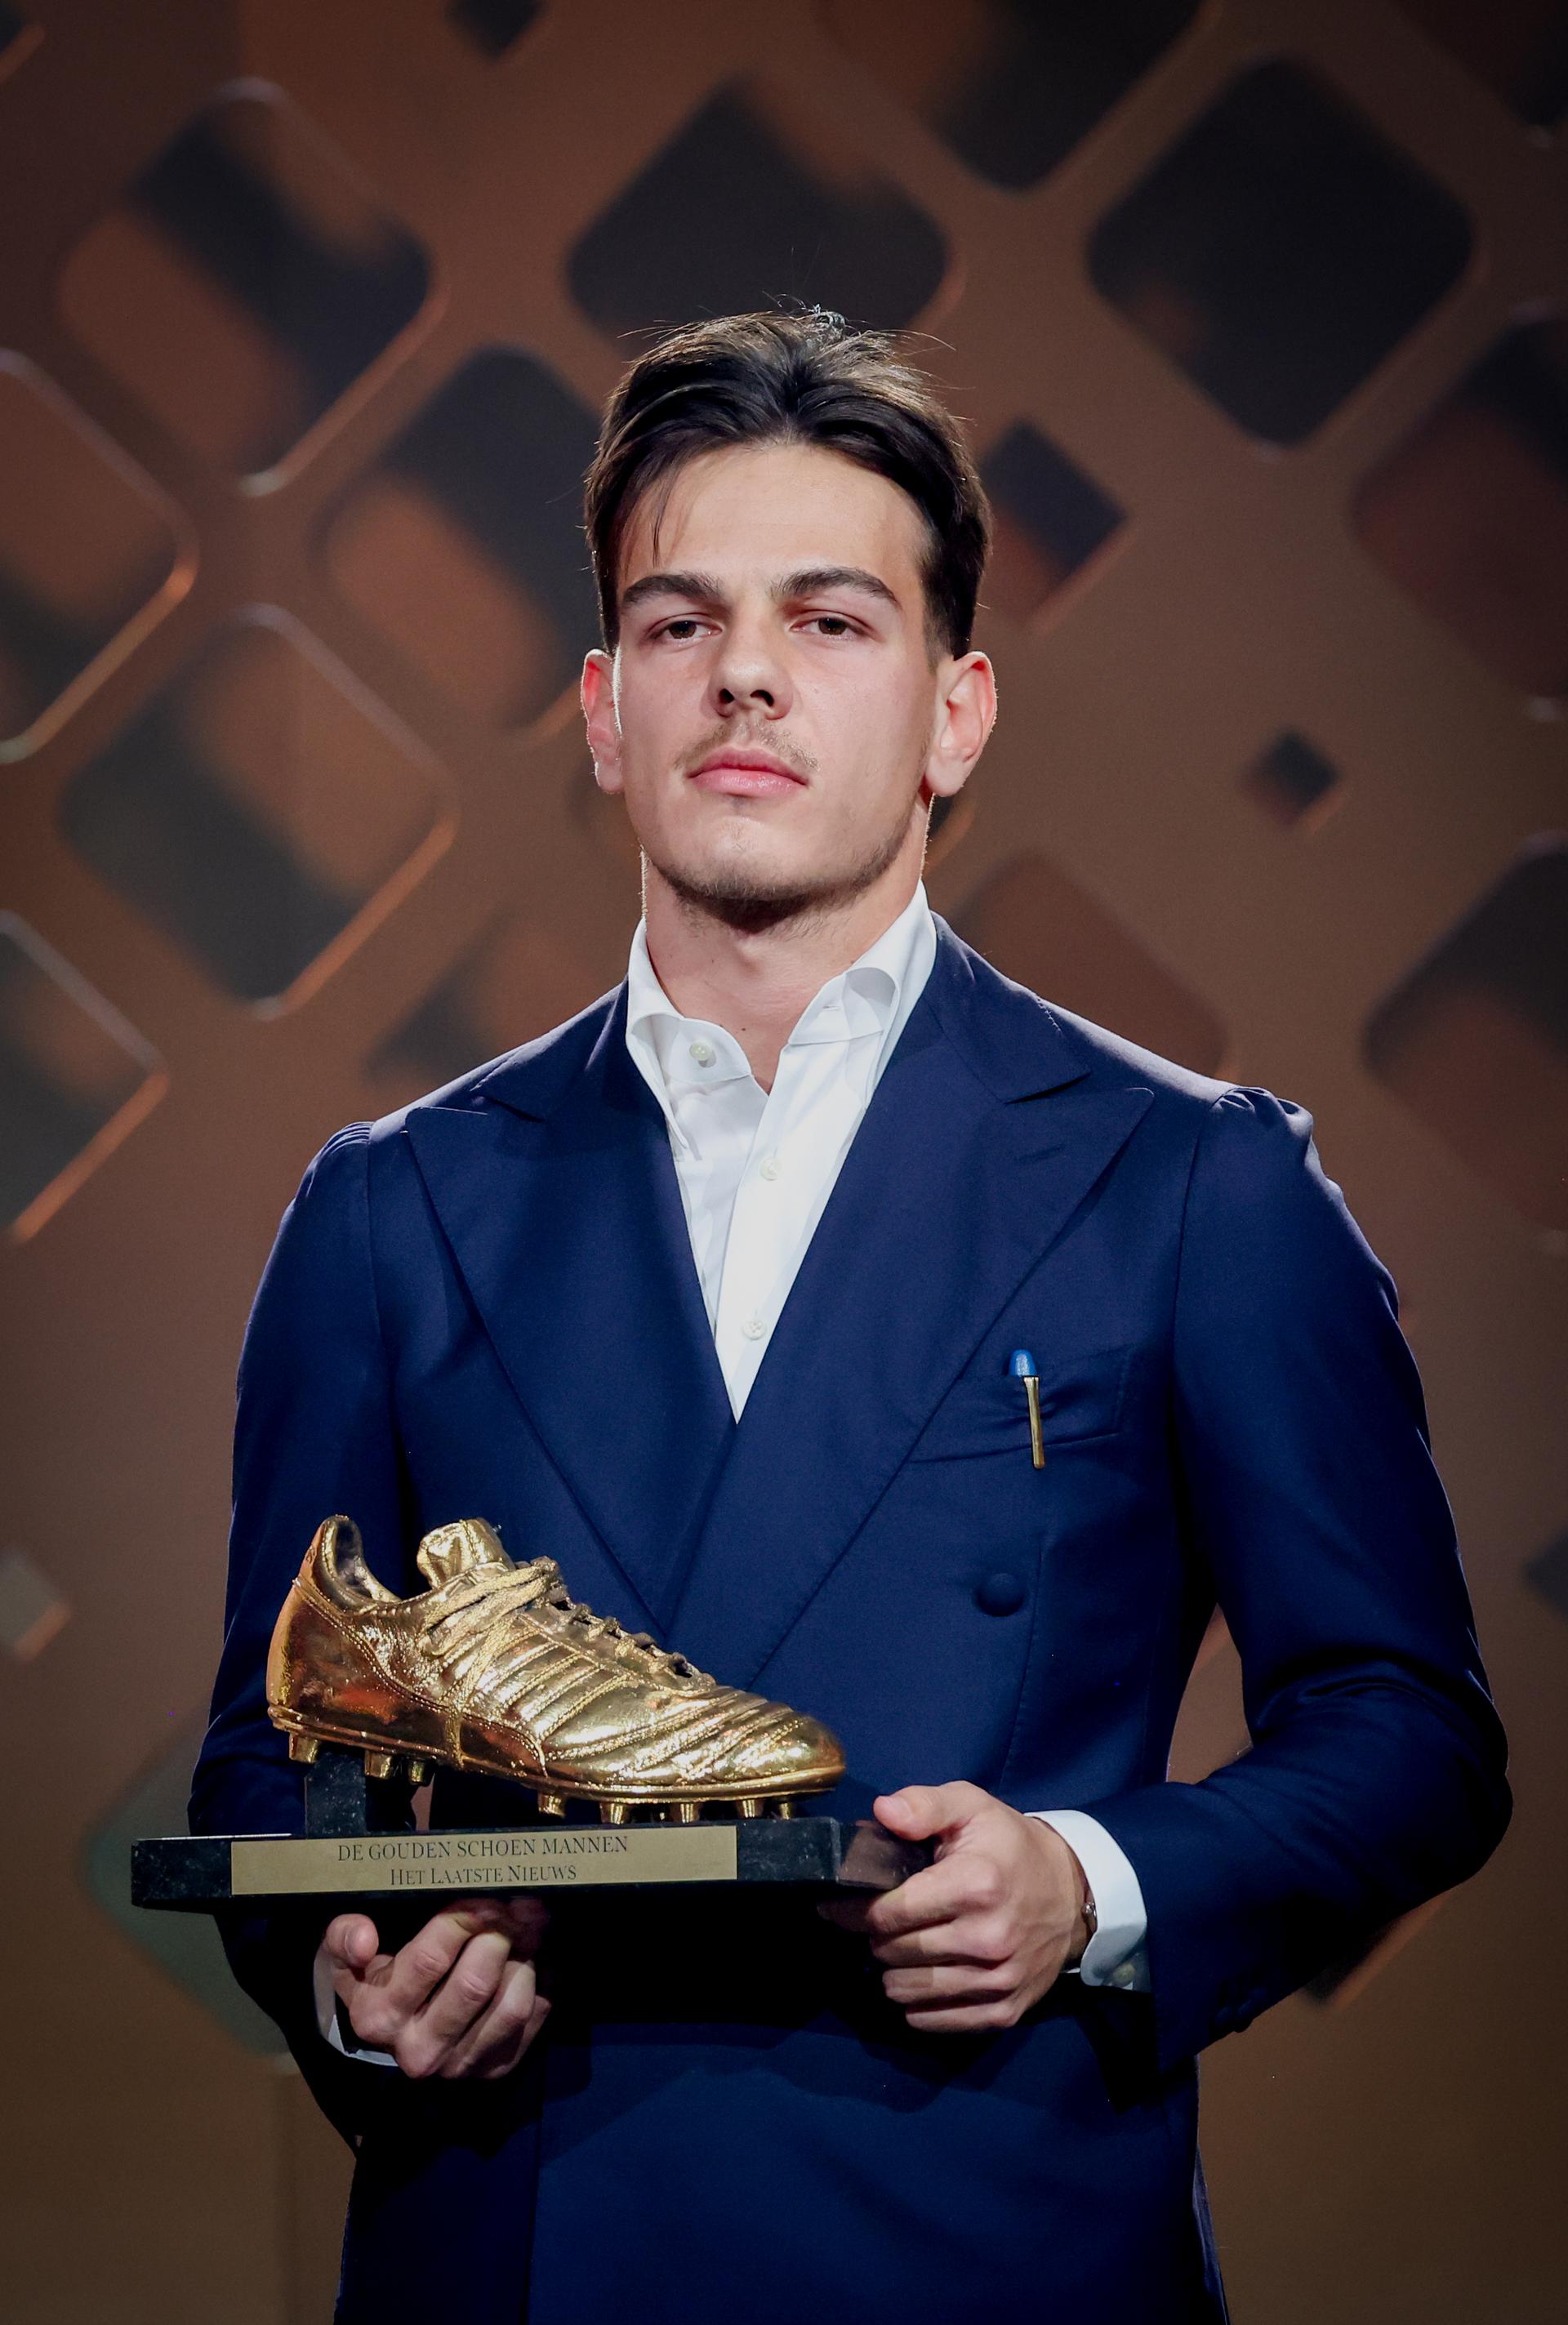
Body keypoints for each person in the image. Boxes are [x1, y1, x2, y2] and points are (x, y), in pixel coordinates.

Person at [190, 310, 1510, 2325]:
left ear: (956, 709)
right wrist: (358, 1976)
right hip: (524, 2237)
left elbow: (1411, 1732)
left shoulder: (1190, 1184)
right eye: (678, 622)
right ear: (602, 708)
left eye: (831, 619)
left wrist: (1096, 1880)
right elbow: (274, 1753)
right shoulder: (394, 1207)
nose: (744, 674)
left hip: (988, 2228)